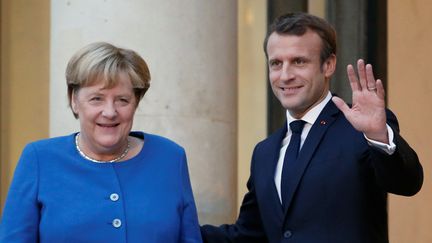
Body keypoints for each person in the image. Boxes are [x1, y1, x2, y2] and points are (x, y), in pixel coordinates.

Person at [201, 12, 423, 243]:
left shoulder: (363, 129)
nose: (285, 76)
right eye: (276, 63)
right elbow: (247, 236)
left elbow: (406, 183)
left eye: (299, 61)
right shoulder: (264, 153)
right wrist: (176, 226)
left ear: (328, 65)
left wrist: (377, 135)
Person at [0, 42, 203, 243]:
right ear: (74, 100)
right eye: (97, 98)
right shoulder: (39, 159)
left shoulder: (170, 157)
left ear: (135, 103)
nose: (110, 112)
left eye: (122, 100)